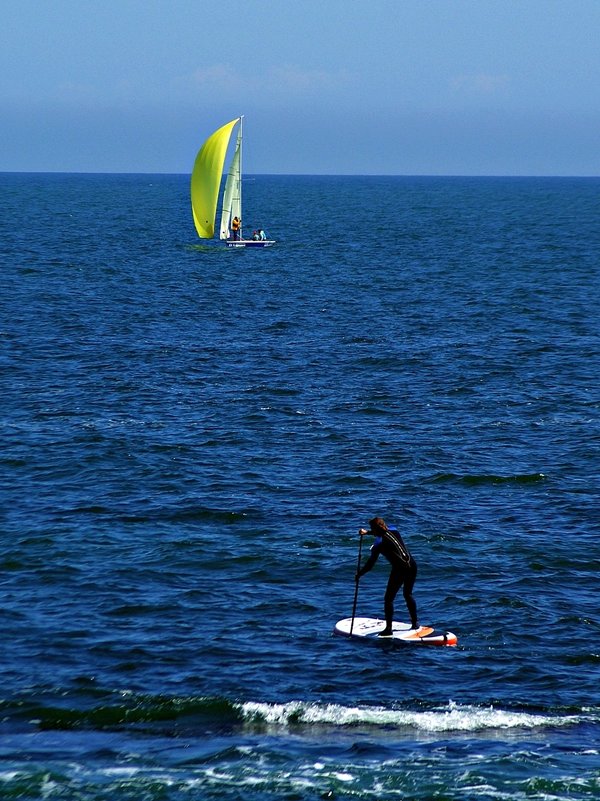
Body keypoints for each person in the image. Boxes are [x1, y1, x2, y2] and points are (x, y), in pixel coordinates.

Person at [356, 516, 418, 636]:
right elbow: (381, 531)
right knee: (407, 594)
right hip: (412, 565)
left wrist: (359, 574)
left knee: (388, 599)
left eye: (371, 529)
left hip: (400, 569)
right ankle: (415, 623)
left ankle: (388, 629)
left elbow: (370, 564)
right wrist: (367, 533)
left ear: (375, 529)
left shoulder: (379, 544)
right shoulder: (394, 530)